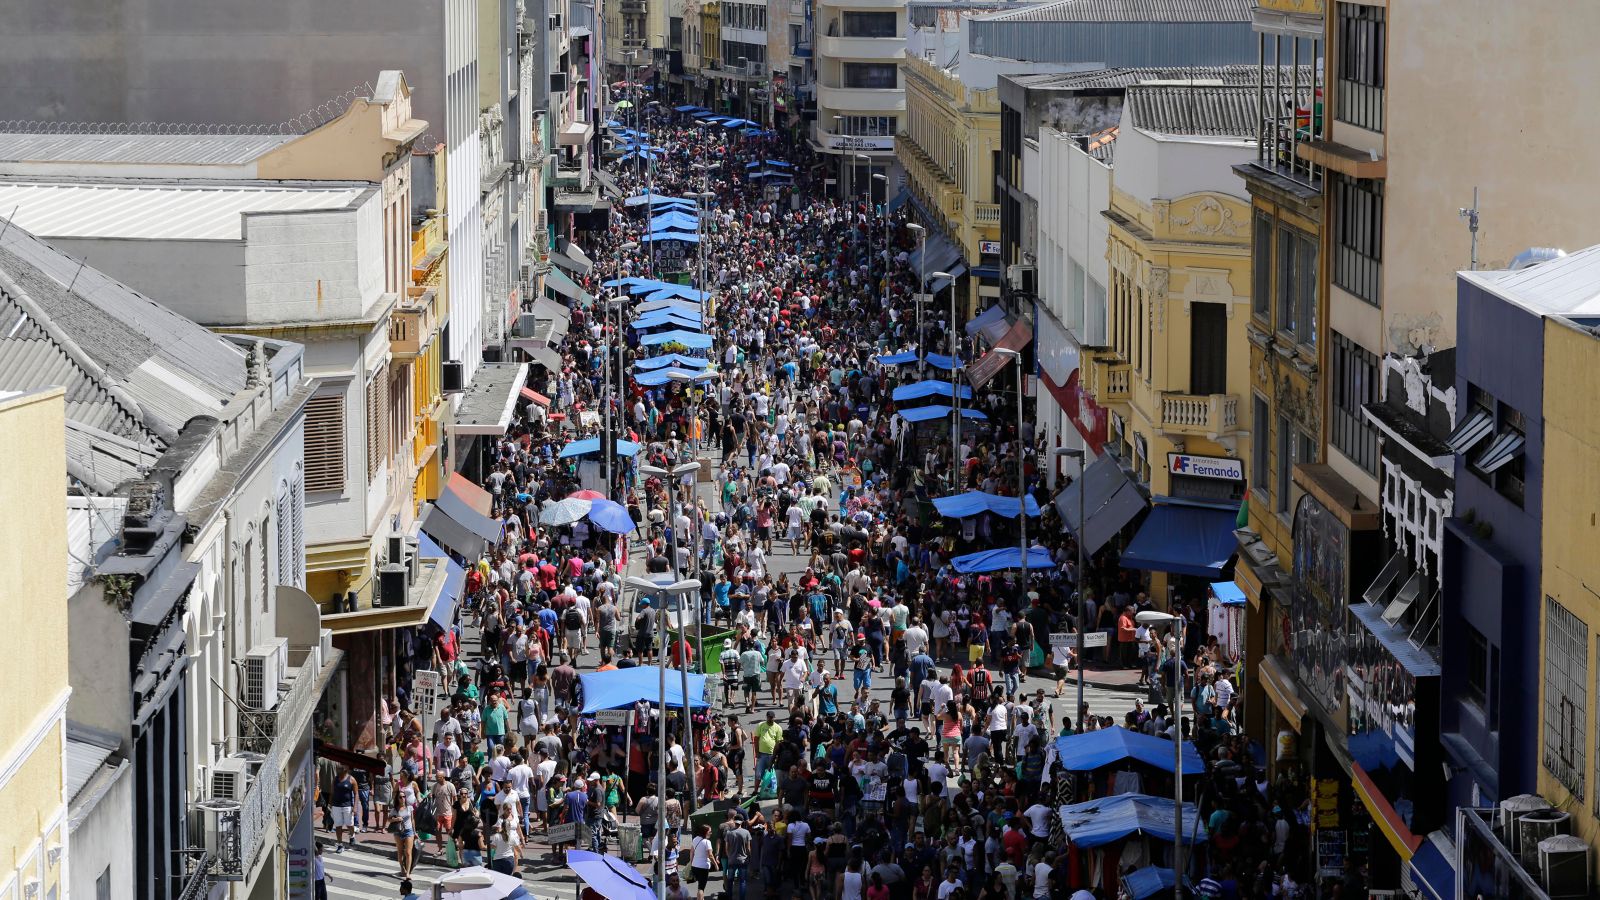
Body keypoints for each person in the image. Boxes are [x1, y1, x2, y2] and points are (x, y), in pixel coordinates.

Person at [330, 767, 358, 852]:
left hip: (347, 806)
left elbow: (356, 794)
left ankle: (352, 836)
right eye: (338, 768)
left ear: (346, 769)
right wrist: (330, 803)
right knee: (338, 826)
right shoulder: (335, 779)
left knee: (349, 824)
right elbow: (332, 792)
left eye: (340, 769)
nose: (338, 770)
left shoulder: (351, 779)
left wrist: (355, 807)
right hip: (336, 806)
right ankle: (340, 845)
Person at [690, 823, 719, 900]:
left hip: (695, 866)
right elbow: (710, 855)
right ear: (705, 832)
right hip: (703, 867)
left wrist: (691, 862)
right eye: (710, 831)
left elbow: (691, 852)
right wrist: (716, 864)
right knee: (701, 888)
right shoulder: (707, 842)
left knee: (700, 887)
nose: (711, 833)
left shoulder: (695, 839)